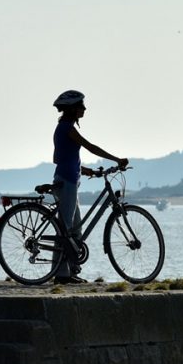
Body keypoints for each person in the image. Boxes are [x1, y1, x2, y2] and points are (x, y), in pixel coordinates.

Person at [51, 90, 128, 284]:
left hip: (70, 180)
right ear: (71, 109)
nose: (84, 109)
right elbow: (90, 147)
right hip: (67, 182)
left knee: (75, 229)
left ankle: (69, 272)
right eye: (81, 106)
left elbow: (59, 158)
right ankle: (60, 275)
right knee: (66, 229)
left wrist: (87, 171)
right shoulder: (67, 128)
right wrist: (116, 159)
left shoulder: (63, 128)